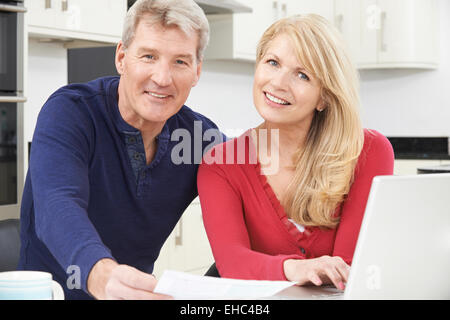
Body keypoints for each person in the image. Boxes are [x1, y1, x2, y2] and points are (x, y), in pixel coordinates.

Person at [18, 0, 224, 300]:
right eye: (149, 56)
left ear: (196, 70)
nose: (162, 78)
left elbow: (255, 201)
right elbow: (57, 207)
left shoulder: (200, 138)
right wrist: (102, 276)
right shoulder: (70, 112)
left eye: (180, 61)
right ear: (122, 57)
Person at [197, 14, 394, 290]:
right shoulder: (220, 165)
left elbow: (349, 268)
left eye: (302, 74)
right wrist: (295, 268)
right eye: (272, 62)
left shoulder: (369, 152)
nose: (279, 83)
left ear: (324, 97)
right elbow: (232, 263)